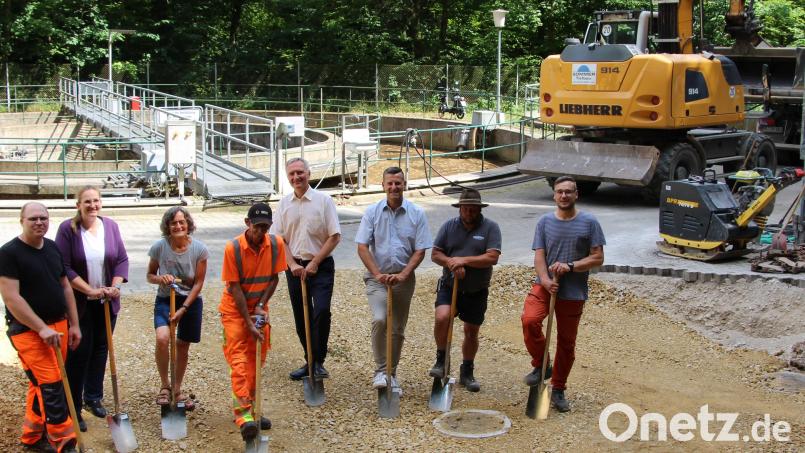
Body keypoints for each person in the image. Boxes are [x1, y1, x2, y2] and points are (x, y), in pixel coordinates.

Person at [0, 202, 81, 453]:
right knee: (52, 384)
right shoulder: (8, 254)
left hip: (59, 326)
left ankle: (32, 436)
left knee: (42, 383)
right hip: (28, 331)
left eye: (43, 218)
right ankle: (64, 443)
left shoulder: (52, 247)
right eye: (33, 218)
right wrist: (41, 328)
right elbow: (12, 298)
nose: (39, 223)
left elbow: (65, 286)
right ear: (21, 221)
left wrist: (75, 324)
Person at [522, 176, 605, 412]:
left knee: (566, 343)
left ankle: (558, 389)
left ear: (576, 194)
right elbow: (539, 256)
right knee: (529, 320)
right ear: (554, 195)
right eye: (560, 191)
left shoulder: (590, 222)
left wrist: (570, 266)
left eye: (569, 191)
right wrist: (546, 280)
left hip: (573, 291)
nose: (564, 195)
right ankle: (542, 363)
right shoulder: (544, 222)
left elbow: (598, 257)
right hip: (546, 285)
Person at [54, 186, 129, 432]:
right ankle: (73, 407)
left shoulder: (111, 226)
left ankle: (93, 396)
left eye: (96, 200)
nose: (92, 205)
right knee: (79, 352)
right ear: (78, 205)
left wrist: (115, 286)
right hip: (80, 303)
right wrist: (89, 290)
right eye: (87, 201)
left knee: (101, 348)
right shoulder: (68, 229)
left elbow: (121, 259)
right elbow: (64, 266)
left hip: (106, 301)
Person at [355, 167, 432, 393]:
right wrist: (377, 274)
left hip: (403, 279)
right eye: (389, 183)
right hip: (377, 278)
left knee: (397, 328)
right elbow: (362, 246)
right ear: (383, 186)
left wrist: (404, 274)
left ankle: (392, 373)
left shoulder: (417, 213)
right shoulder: (372, 212)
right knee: (380, 319)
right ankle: (381, 371)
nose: (394, 187)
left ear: (404, 185)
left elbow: (420, 250)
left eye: (398, 183)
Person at [220, 203, 287, 441]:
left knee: (255, 362)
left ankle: (253, 408)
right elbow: (234, 287)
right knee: (239, 363)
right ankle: (244, 416)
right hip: (235, 312)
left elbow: (274, 279)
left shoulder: (276, 245)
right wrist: (248, 321)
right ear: (247, 223)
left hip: (258, 309)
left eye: (265, 228)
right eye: (257, 227)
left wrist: (260, 305)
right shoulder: (233, 248)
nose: (260, 232)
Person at [270, 157, 341, 380]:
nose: (296, 177)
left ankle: (318, 361)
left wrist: (315, 263)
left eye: (300, 172)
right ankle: (310, 360)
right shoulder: (284, 204)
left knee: (321, 311)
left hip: (321, 265)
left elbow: (334, 236)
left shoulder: (324, 201)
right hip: (294, 268)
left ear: (308, 174)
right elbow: (279, 239)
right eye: (291, 174)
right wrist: (291, 264)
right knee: (301, 315)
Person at [429, 188, 501, 393]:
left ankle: (467, 371)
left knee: (471, 331)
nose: (469, 213)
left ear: (480, 209)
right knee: (442, 317)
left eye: (473, 209)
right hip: (449, 285)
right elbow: (435, 254)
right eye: (465, 209)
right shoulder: (448, 226)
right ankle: (441, 359)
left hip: (477, 289)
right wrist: (451, 263)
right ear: (459, 208)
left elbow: (492, 257)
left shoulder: (491, 228)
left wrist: (464, 261)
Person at [146, 206, 208, 411]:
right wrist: (160, 278)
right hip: (166, 298)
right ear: (168, 226)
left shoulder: (199, 249)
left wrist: (184, 308)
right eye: (174, 223)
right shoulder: (159, 247)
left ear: (188, 224)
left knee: (182, 345)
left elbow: (198, 283)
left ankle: (177, 388)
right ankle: (165, 386)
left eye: (182, 222)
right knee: (163, 338)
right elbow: (149, 275)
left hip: (190, 300)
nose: (178, 226)